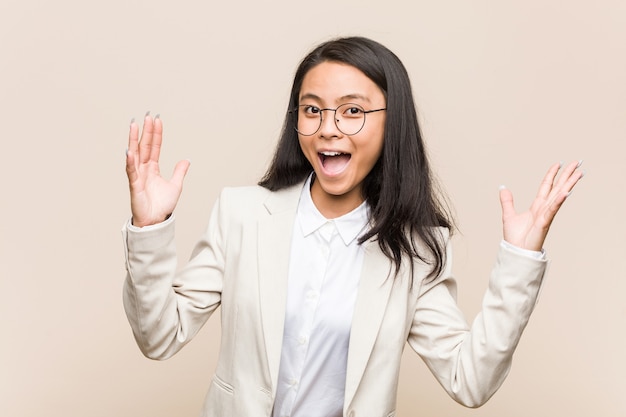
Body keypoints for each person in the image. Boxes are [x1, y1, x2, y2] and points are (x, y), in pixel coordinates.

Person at [122, 36, 584, 417]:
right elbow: (158, 336)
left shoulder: (416, 251)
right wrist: (149, 226)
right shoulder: (241, 214)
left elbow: (471, 380)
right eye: (312, 109)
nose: (328, 128)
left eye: (353, 111)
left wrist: (519, 261)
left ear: (391, 124)